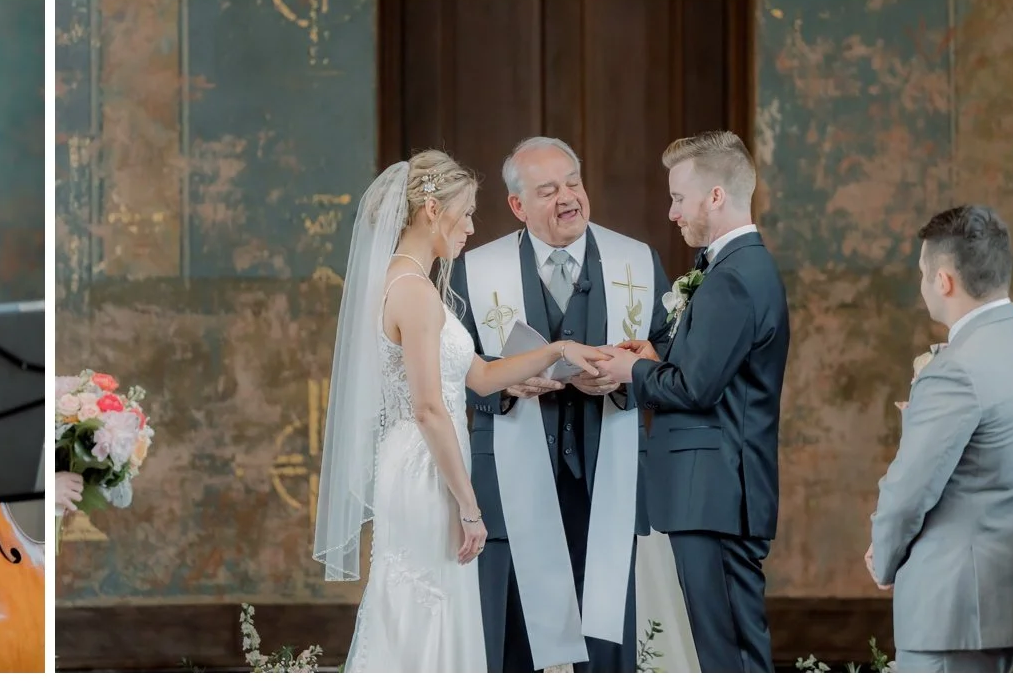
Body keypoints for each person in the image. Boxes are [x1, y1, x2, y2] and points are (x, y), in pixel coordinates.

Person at [312, 149, 608, 672]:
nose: (471, 227)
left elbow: (481, 376)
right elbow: (429, 408)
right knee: (429, 606)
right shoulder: (414, 293)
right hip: (427, 466)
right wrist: (471, 508)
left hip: (427, 460)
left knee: (433, 604)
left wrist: (559, 350)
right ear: (433, 210)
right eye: (466, 213)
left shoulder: (412, 284)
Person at [452, 136, 680, 672]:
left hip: (607, 473)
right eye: (548, 190)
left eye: (573, 183)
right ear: (518, 205)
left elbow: (669, 355)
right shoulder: (476, 271)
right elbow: (444, 372)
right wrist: (503, 384)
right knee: (512, 642)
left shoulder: (636, 262)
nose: (568, 198)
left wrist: (625, 379)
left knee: (607, 639)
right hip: (508, 477)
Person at [596, 129, 788, 673]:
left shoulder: (735, 277)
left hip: (717, 494)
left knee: (729, 656)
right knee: (722, 650)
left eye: (679, 197)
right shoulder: (733, 268)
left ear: (716, 196)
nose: (672, 212)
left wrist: (631, 371)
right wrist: (658, 355)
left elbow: (695, 389)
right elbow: (712, 371)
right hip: (715, 493)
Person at [866, 205, 1013, 673]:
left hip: (952, 607)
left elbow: (908, 492)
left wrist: (884, 556)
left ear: (943, 280)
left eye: (922, 272)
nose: (922, 284)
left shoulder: (956, 368)